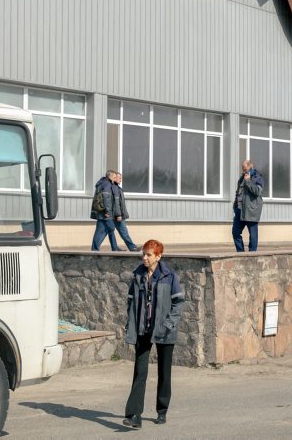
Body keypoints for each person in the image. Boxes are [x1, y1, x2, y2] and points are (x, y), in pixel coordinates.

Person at [123, 239, 185, 428]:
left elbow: (178, 303)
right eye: (143, 254)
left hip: (165, 331)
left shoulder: (170, 277)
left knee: (164, 373)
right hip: (143, 330)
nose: (144, 258)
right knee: (139, 373)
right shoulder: (137, 275)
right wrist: (132, 323)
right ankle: (134, 415)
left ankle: (162, 410)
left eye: (148, 255)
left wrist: (168, 324)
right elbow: (130, 301)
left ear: (158, 256)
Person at [231, 159, 264, 252]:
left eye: (245, 169)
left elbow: (257, 192)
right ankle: (240, 253)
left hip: (251, 211)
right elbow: (238, 192)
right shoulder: (242, 178)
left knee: (253, 236)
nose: (244, 171)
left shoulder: (258, 177)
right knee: (235, 232)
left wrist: (248, 181)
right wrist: (235, 206)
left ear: (251, 167)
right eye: (243, 169)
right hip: (239, 210)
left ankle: (252, 255)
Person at [111, 172, 139, 251]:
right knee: (124, 232)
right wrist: (118, 215)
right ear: (114, 178)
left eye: (121, 178)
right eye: (119, 178)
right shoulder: (115, 188)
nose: (121, 180)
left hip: (115, 214)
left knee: (110, 232)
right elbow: (116, 203)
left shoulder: (117, 188)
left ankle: (115, 248)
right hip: (117, 215)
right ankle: (132, 247)